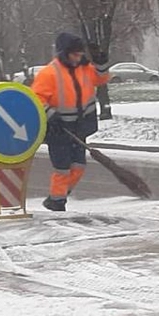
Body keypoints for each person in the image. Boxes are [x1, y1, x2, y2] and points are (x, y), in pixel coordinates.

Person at [30, 32, 111, 211]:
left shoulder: (85, 69)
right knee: (63, 169)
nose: (78, 57)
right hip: (59, 130)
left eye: (80, 54)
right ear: (64, 53)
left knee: (78, 167)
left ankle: (56, 197)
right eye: (74, 54)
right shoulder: (49, 73)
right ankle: (57, 203)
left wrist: (100, 61)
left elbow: (101, 78)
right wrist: (51, 115)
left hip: (80, 127)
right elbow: (35, 99)